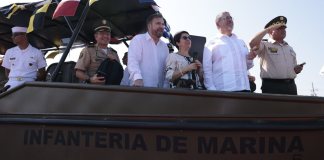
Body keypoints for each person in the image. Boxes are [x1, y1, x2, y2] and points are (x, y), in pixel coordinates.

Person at [249, 16, 303, 95]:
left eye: (284, 28)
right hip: (272, 86)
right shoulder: (264, 45)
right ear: (270, 31)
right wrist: (267, 30)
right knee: (273, 107)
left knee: (292, 107)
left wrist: (296, 69)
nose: (283, 30)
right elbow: (252, 43)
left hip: (291, 86)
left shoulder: (289, 48)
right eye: (279, 28)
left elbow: (293, 69)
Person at [203, 11, 253, 92]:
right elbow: (207, 69)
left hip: (245, 90)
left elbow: (248, 66)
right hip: (224, 91)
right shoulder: (211, 42)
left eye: (231, 18)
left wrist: (250, 57)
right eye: (226, 18)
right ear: (218, 23)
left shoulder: (241, 42)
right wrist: (212, 90)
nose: (230, 20)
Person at [127, 13, 169, 87]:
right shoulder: (138, 39)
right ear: (149, 25)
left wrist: (166, 87)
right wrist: (137, 78)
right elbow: (133, 61)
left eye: (163, 24)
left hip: (160, 92)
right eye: (158, 23)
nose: (161, 26)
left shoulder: (164, 46)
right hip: (141, 89)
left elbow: (166, 69)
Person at [75, 19, 120, 84]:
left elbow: (119, 72)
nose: (105, 36)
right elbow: (78, 73)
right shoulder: (88, 50)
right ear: (96, 36)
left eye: (107, 34)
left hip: (111, 89)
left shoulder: (114, 53)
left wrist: (115, 61)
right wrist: (90, 79)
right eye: (102, 34)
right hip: (94, 89)